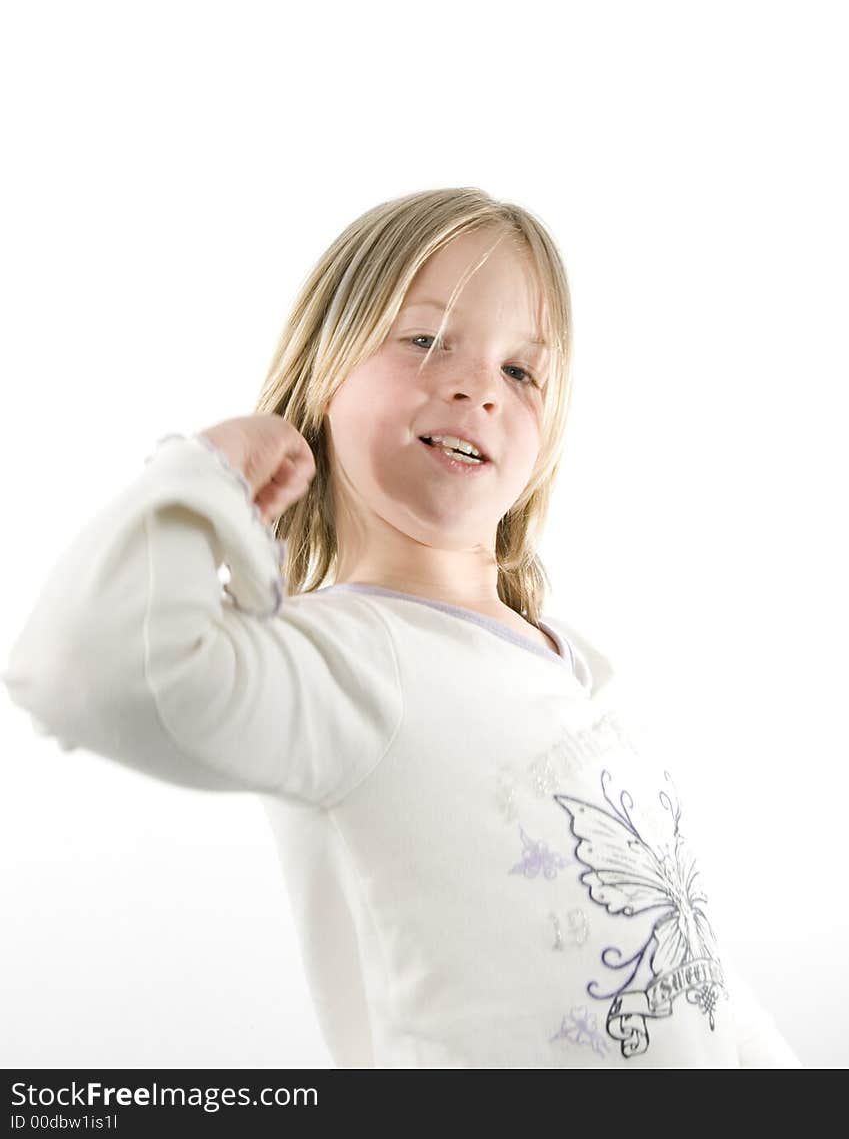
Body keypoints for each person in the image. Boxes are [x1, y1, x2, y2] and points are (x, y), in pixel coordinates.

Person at [2, 187, 802, 1068]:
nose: (476, 387)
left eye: (522, 372)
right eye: (424, 339)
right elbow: (80, 668)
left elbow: (705, 988)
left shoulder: (582, 670)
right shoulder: (341, 663)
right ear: (322, 371)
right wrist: (205, 474)